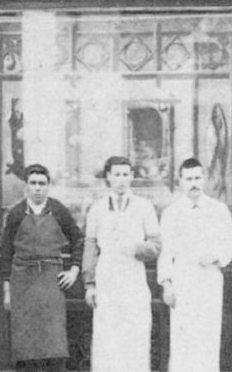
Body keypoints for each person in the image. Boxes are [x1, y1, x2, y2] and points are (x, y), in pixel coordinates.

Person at [0, 163, 83, 372]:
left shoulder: (58, 210)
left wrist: (74, 269)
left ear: (48, 186)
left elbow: (78, 239)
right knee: (25, 343)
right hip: (22, 282)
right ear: (26, 186)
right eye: (33, 183)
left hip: (50, 281)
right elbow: (6, 252)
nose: (37, 188)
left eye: (42, 184)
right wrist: (7, 291)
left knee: (53, 341)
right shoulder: (16, 213)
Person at [157, 157, 232, 372]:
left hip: (209, 280)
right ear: (181, 181)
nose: (193, 183)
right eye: (188, 178)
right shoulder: (171, 213)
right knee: (183, 338)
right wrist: (166, 284)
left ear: (204, 180)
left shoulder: (218, 209)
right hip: (182, 282)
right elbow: (165, 252)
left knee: (208, 336)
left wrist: (215, 256)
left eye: (197, 178)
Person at [82, 155, 161, 372]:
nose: (121, 180)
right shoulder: (97, 209)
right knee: (107, 340)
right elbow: (90, 247)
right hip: (107, 280)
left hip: (133, 278)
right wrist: (90, 284)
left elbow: (156, 245)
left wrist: (136, 247)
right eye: (117, 174)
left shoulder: (144, 207)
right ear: (108, 177)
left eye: (126, 174)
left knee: (135, 338)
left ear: (132, 176)